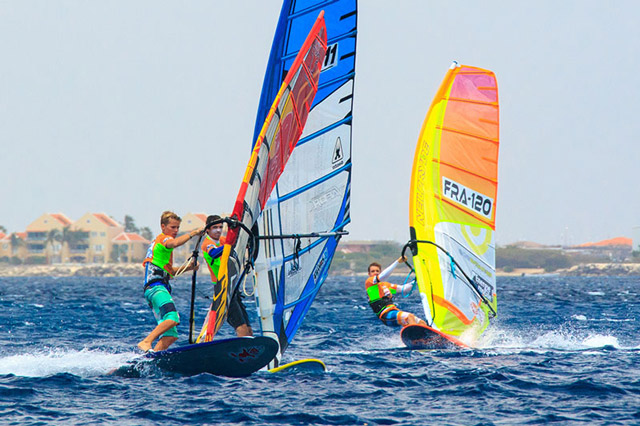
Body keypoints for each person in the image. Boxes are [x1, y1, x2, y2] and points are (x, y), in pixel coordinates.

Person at [137, 211, 202, 352]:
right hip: (156, 288)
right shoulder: (163, 240)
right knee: (173, 317)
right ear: (163, 226)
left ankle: (153, 357)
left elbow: (171, 272)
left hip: (157, 288)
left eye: (178, 228)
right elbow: (174, 243)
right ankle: (146, 341)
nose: (176, 231)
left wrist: (189, 267)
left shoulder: (163, 250)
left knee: (170, 336)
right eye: (173, 227)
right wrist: (194, 233)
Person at [201, 214, 253, 337]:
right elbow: (213, 253)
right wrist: (230, 245)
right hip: (222, 289)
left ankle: (251, 353)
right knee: (242, 328)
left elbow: (239, 242)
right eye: (215, 227)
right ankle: (243, 354)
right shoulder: (207, 244)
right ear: (207, 229)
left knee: (249, 330)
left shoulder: (223, 241)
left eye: (220, 227)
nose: (218, 230)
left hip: (233, 288)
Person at [365, 256, 426, 327]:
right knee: (410, 317)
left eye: (377, 271)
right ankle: (414, 334)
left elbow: (403, 289)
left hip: (394, 311)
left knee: (421, 322)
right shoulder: (369, 282)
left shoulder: (385, 285)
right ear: (369, 274)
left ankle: (428, 337)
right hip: (385, 314)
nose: (375, 273)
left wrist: (417, 281)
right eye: (373, 271)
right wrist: (397, 262)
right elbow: (383, 276)